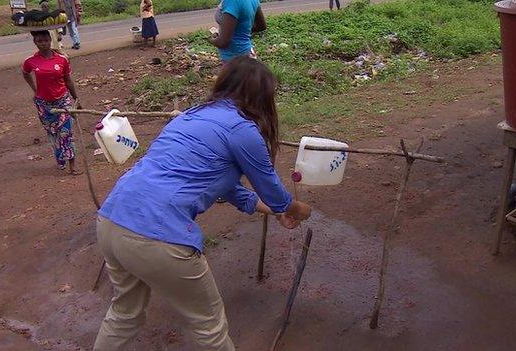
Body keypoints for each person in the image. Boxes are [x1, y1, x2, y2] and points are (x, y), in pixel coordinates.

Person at [92, 57, 311, 351]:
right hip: (158, 234)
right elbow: (275, 193)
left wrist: (272, 210)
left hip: (111, 220)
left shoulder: (191, 116)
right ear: (261, 97)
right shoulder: (243, 130)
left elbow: (226, 186)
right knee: (208, 325)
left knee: (124, 314)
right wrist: (296, 209)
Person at [22, 31, 82, 175]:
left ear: (50, 40)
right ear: (35, 43)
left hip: (63, 101)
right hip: (44, 104)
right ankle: (60, 159)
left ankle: (72, 165)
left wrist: (76, 99)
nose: (43, 43)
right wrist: (35, 90)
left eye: (45, 40)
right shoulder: (31, 61)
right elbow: (25, 73)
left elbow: (68, 80)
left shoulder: (62, 59)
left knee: (66, 133)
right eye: (39, 41)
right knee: (53, 133)